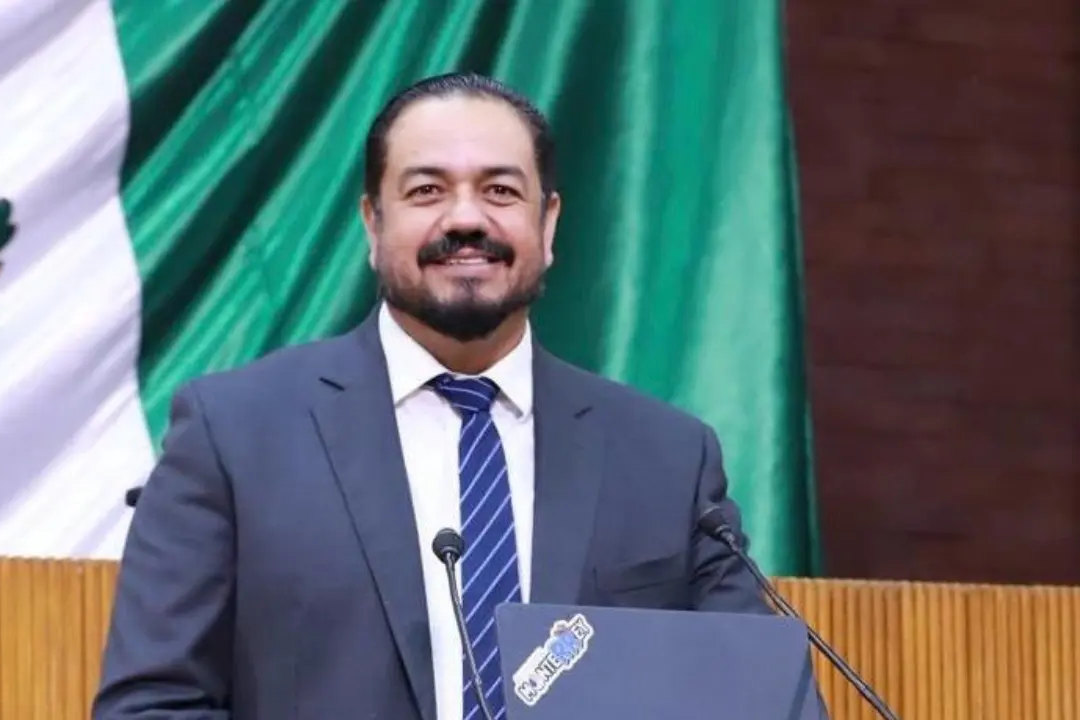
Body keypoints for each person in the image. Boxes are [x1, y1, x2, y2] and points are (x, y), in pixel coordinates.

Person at [92, 72, 775, 720]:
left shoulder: (666, 457)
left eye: (502, 192)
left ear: (550, 224)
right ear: (371, 224)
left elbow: (754, 703)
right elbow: (153, 705)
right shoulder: (234, 435)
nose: (467, 219)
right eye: (426, 192)